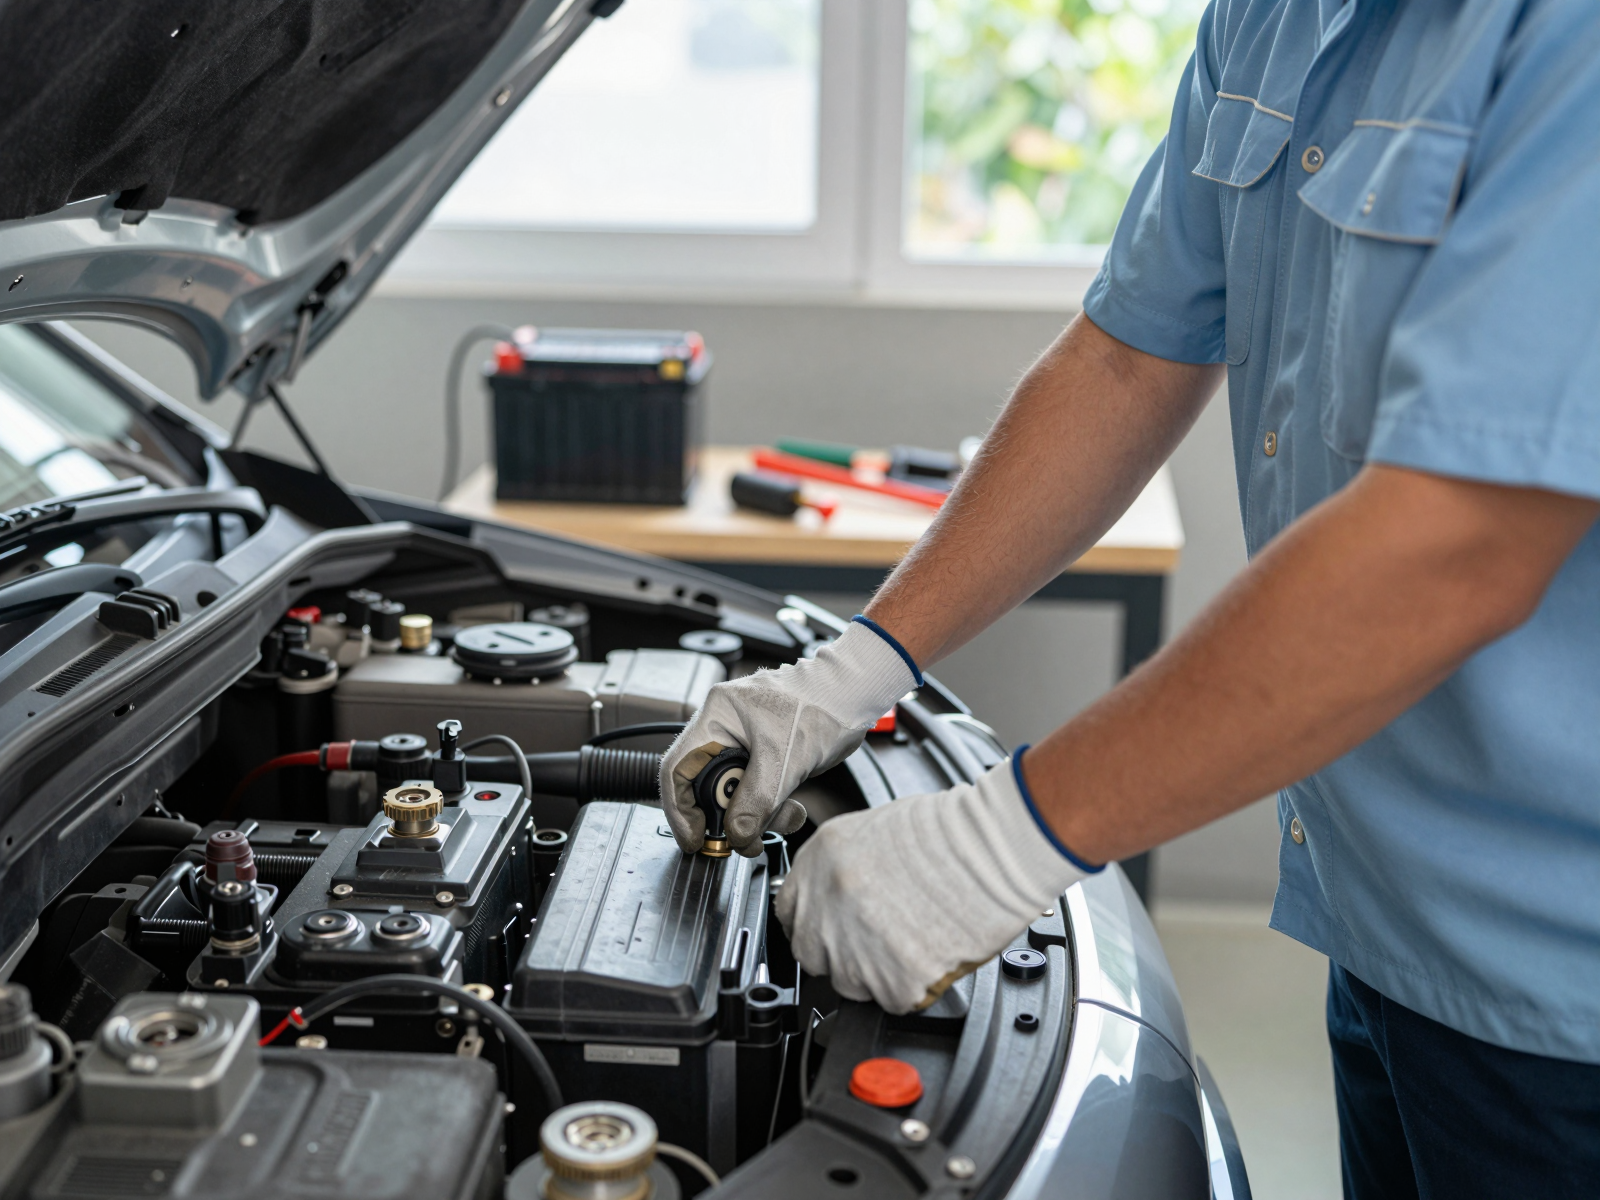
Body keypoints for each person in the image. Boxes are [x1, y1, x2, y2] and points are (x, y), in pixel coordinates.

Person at [661, 0, 1600, 1194]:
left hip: (1567, 987)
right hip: (1384, 914)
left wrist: (997, 845)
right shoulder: (1272, 19)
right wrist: (855, 667)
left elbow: (1457, 539)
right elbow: (1128, 356)